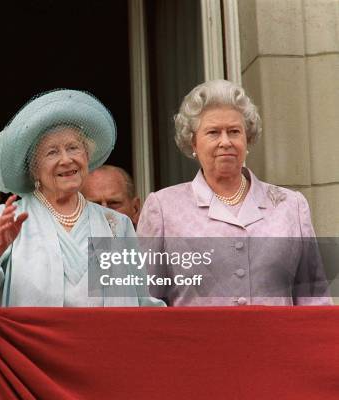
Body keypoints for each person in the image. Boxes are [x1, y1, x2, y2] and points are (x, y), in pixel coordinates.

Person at [0, 89, 165, 307]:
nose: (66, 160)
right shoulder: (11, 218)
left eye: (73, 148)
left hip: (105, 340)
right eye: (52, 152)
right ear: (34, 169)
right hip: (36, 341)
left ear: (86, 157)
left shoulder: (116, 224)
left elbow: (143, 304)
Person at [136, 79, 331, 306]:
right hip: (197, 342)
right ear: (193, 142)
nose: (225, 141)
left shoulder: (291, 205)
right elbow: (145, 301)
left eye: (234, 131)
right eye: (213, 132)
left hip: (277, 342)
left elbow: (314, 299)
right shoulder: (163, 208)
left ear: (247, 139)